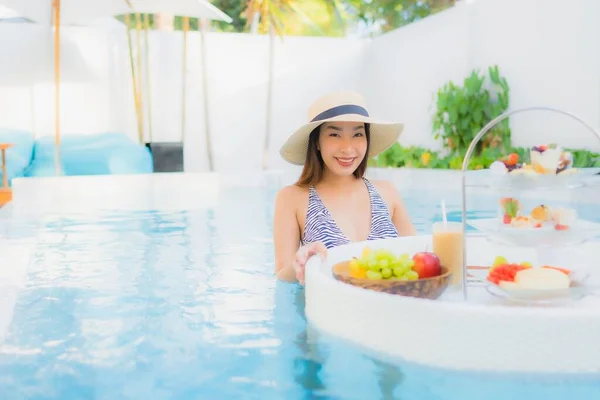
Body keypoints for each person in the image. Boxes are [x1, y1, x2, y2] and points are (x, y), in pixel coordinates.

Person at [273, 90, 417, 284]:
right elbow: (282, 277)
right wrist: (300, 262)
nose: (348, 148)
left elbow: (418, 257)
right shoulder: (292, 198)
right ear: (316, 141)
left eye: (357, 134)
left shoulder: (388, 192)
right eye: (334, 134)